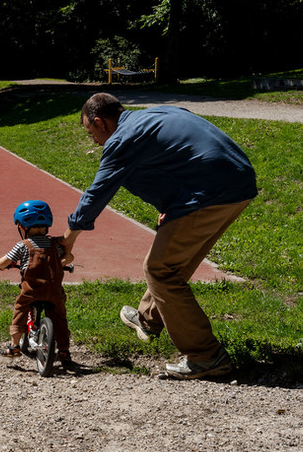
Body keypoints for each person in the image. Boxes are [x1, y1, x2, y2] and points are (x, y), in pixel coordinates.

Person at [62, 92, 257, 380]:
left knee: (161, 269)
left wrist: (67, 241)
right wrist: (172, 205)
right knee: (173, 261)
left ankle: (205, 356)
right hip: (237, 181)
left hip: (211, 192)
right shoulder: (157, 114)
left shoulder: (121, 140)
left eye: (90, 132)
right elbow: (179, 153)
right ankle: (148, 319)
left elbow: (97, 193)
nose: (92, 139)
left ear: (101, 123)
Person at [0, 200, 74, 368]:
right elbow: (70, 257)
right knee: (59, 317)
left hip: (32, 290)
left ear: (22, 227)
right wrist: (62, 262)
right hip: (54, 291)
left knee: (20, 309)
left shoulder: (23, 245)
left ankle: (14, 345)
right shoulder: (54, 245)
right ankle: (64, 350)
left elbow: (4, 262)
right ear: (47, 226)